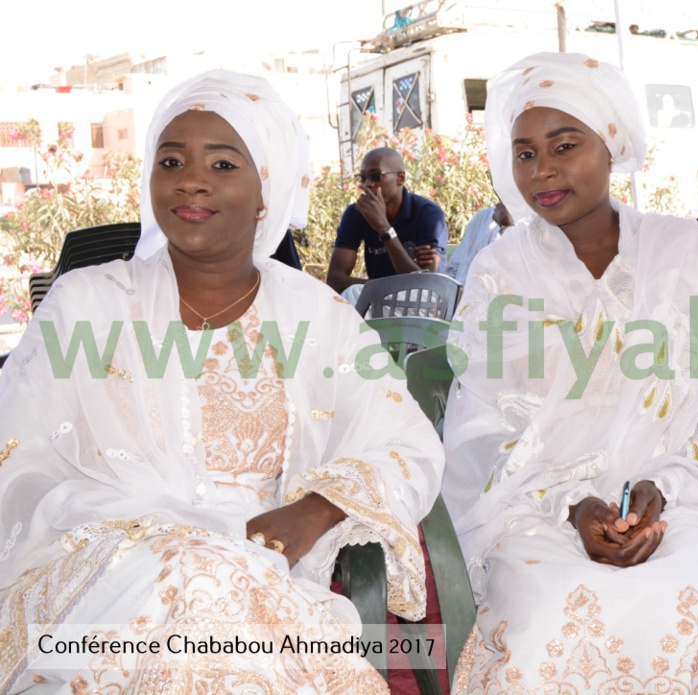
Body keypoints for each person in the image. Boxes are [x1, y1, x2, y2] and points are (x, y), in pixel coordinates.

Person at [0, 71, 444, 692]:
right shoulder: (87, 303)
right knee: (194, 580)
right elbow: (17, 459)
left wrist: (315, 512)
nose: (191, 179)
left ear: (268, 188)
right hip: (95, 576)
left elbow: (409, 447)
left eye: (224, 164)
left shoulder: (318, 318)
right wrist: (156, 535)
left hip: (261, 581)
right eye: (171, 159)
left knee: (216, 596)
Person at [443, 52, 698, 693]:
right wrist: (571, 505)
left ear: (612, 143)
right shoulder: (501, 273)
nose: (542, 169)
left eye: (564, 145)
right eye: (524, 153)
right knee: (552, 622)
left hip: (687, 499)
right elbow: (483, 431)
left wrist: (661, 485)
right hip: (536, 509)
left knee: (690, 612)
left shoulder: (689, 253)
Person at [326, 147, 448, 301]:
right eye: (362, 177)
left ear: (400, 178)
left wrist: (384, 229)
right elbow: (335, 280)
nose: (367, 184)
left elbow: (424, 288)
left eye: (376, 176)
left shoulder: (428, 214)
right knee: (348, 296)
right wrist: (387, 285)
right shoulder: (357, 213)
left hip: (423, 308)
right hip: (378, 302)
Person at [443, 200, 513, 282]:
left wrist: (506, 225)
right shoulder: (485, 215)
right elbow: (454, 268)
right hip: (463, 291)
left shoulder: (527, 221)